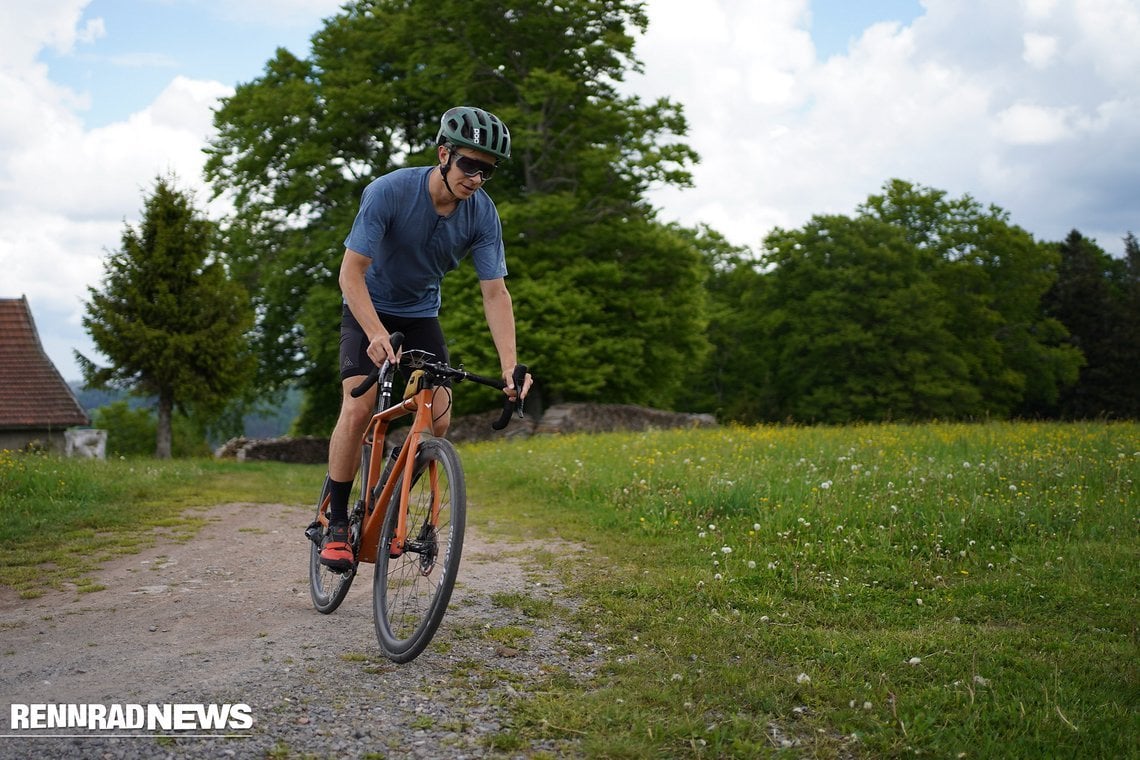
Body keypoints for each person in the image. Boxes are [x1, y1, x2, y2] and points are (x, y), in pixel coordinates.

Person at [320, 106, 532, 571]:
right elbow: (350, 273)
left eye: (487, 171)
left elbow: (496, 293)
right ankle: (336, 522)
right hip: (368, 307)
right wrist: (375, 334)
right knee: (358, 406)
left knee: (438, 417)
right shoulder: (390, 192)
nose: (476, 178)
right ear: (444, 154)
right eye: (469, 165)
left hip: (420, 314)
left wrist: (509, 366)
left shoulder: (482, 215)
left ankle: (392, 485)